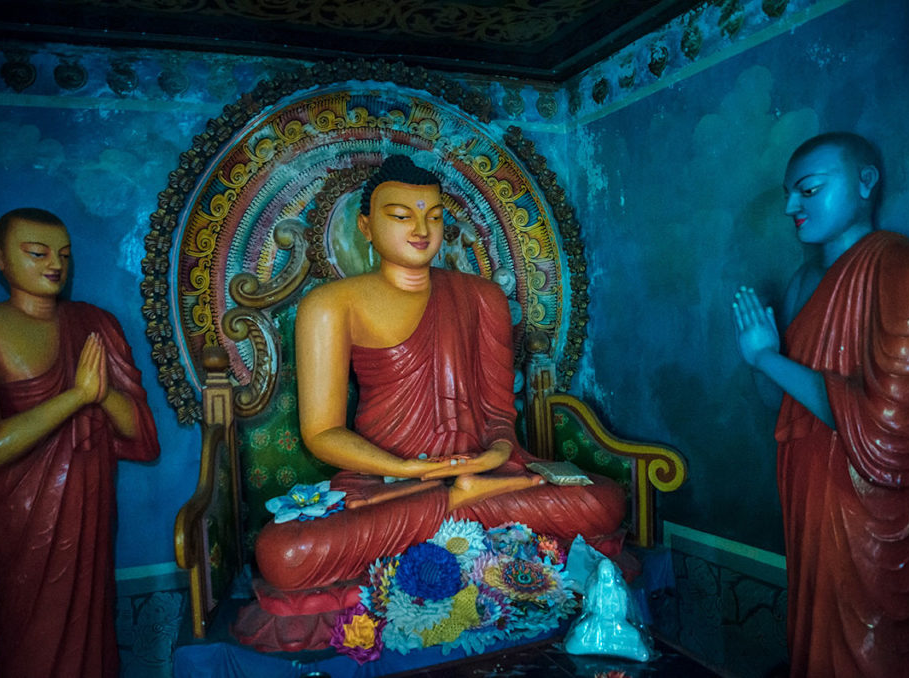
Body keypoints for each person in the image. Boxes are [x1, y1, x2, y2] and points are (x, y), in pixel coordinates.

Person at [237, 156, 626, 651]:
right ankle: (458, 503)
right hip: (384, 482)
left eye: (435, 215)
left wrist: (494, 455)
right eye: (401, 216)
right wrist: (409, 470)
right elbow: (322, 434)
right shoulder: (331, 305)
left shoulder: (482, 297)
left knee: (603, 500)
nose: (421, 229)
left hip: (485, 476)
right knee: (285, 553)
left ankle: (464, 499)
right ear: (366, 227)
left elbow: (499, 415)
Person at [732, 133, 909, 677]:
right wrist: (765, 361)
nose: (789, 207)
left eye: (808, 189)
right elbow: (780, 406)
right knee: (814, 636)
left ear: (866, 182)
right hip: (807, 487)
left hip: (872, 502)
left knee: (868, 644)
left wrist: (766, 359)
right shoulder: (802, 282)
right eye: (787, 194)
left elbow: (887, 435)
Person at [0, 208, 159, 678]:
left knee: (91, 632)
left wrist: (104, 396)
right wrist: (77, 397)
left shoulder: (96, 325)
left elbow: (141, 435)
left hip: (90, 510)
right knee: (30, 644)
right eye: (36, 253)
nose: (54, 264)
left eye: (63, 254)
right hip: (22, 519)